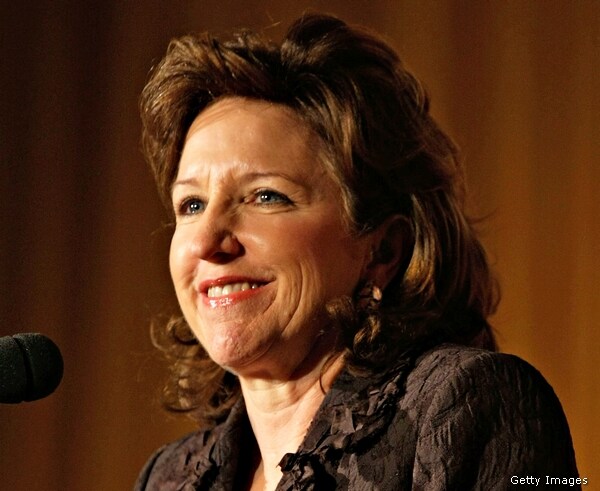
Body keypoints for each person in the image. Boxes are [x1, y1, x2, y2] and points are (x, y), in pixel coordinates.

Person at [135, 13, 580, 490]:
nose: (205, 241)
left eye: (265, 196)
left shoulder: (477, 405)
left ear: (382, 251)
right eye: (191, 204)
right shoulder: (168, 478)